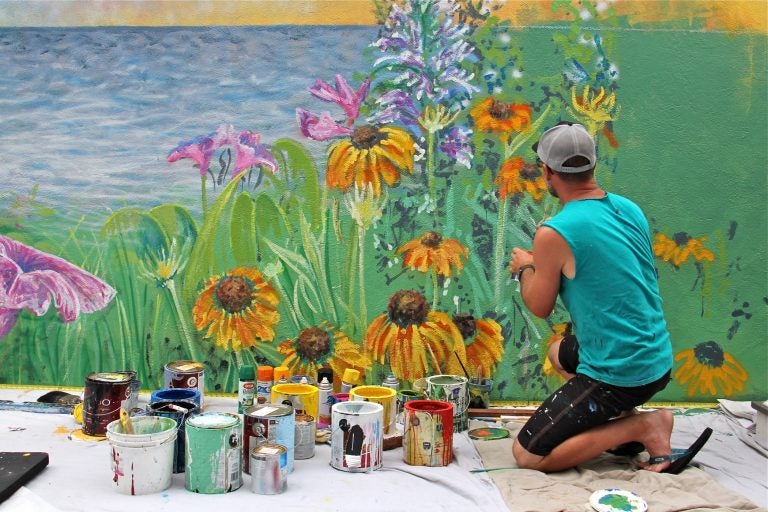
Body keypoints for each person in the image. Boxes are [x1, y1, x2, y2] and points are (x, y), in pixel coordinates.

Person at [508, 122, 710, 474]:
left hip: (617, 373)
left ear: (547, 171)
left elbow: (539, 306)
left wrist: (526, 268)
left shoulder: (554, 231)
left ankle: (643, 426)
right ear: (593, 165)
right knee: (558, 350)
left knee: (528, 455)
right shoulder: (629, 209)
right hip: (655, 361)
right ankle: (620, 426)